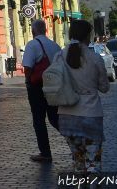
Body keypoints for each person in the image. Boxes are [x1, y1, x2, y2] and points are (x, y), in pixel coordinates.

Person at [56, 19, 110, 174]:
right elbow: (104, 87)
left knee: (78, 161)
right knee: (93, 162)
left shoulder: (60, 55)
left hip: (66, 115)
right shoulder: (94, 58)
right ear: (88, 35)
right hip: (90, 114)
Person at [22, 19, 62, 163]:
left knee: (39, 120)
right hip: (54, 87)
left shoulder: (33, 45)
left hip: (38, 87)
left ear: (33, 31)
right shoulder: (55, 45)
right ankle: (74, 141)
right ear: (45, 30)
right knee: (55, 118)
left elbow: (27, 67)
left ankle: (45, 152)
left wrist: (28, 80)